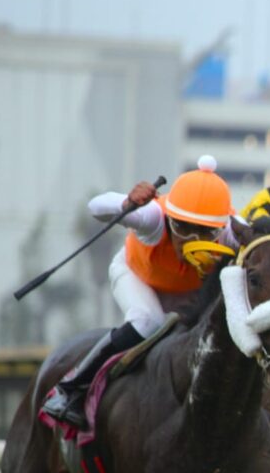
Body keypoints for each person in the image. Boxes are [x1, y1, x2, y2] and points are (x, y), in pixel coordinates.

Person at [41, 155, 239, 429]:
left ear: (222, 226)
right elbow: (95, 206)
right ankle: (71, 389)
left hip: (189, 293)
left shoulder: (233, 232)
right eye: (181, 226)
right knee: (148, 322)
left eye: (206, 232)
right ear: (170, 217)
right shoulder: (154, 217)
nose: (190, 240)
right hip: (138, 276)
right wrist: (126, 203)